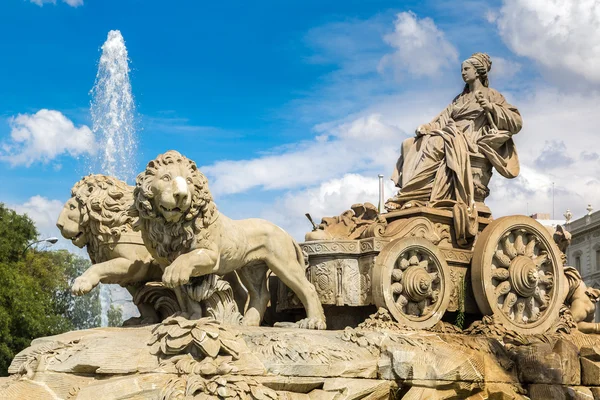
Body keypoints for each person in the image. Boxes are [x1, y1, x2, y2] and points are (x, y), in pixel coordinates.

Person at [386, 53, 523, 212]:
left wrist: (492, 107)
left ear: (477, 71)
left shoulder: (492, 95)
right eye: (461, 70)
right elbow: (442, 119)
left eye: (466, 69)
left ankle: (411, 195)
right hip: (452, 133)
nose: (463, 73)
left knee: (437, 142)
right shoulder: (459, 99)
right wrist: (427, 127)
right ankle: (415, 195)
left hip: (471, 138)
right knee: (410, 143)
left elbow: (516, 122)